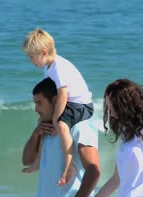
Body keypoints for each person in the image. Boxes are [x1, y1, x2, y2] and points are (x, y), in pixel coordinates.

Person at [22, 77, 101, 197]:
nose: (36, 109)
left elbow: (94, 170)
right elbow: (27, 160)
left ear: (56, 100)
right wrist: (36, 133)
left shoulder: (80, 127)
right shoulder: (49, 130)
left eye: (39, 103)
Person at [22, 27, 94, 186]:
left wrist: (56, 117)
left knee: (61, 126)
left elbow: (63, 95)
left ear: (44, 52)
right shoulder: (48, 68)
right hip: (69, 103)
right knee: (44, 125)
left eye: (32, 56)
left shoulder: (58, 67)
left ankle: (69, 166)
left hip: (81, 105)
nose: (31, 60)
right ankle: (38, 161)